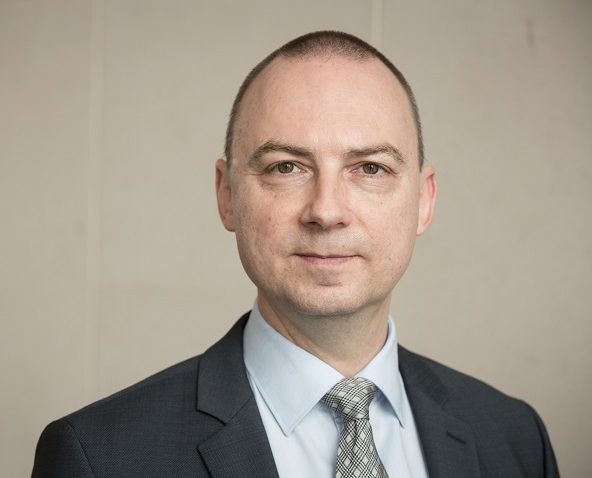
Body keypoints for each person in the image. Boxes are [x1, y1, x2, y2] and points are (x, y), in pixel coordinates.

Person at [32, 31, 559, 477]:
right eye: (286, 167)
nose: (326, 211)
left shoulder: (515, 440)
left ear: (424, 201)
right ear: (226, 195)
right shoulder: (99, 457)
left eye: (370, 168)